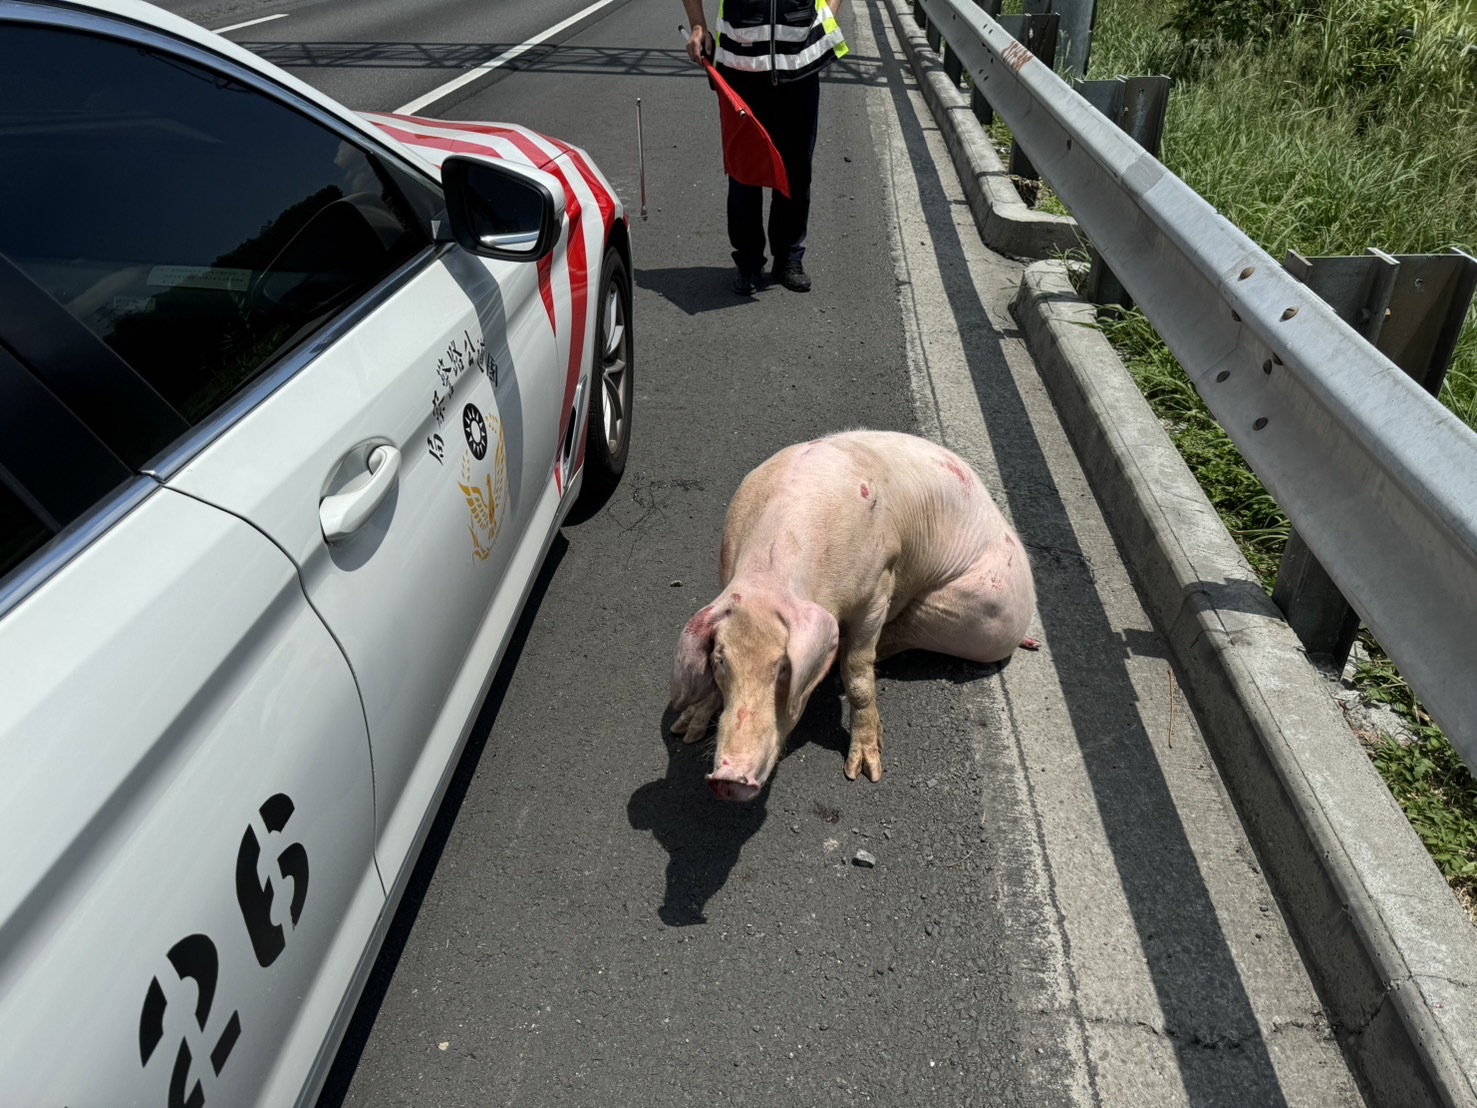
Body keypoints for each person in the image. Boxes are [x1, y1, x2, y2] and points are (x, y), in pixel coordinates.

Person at [681, 0, 848, 294]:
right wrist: (698, 25)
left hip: (800, 62)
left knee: (796, 169)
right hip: (740, 65)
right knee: (744, 170)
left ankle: (788, 259)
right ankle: (748, 262)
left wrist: (829, 13)